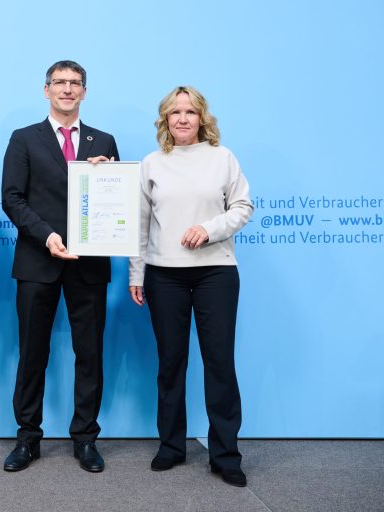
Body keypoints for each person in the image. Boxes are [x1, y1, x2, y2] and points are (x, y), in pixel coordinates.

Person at [128, 86, 253, 487]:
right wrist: (137, 274)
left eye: (190, 112)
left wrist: (210, 229)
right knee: (171, 364)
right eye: (175, 112)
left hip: (216, 271)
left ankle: (225, 453)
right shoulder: (152, 163)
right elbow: (140, 226)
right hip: (164, 274)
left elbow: (242, 207)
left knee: (219, 363)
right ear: (165, 119)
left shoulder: (223, 158)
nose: (182, 119)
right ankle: (171, 446)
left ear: (203, 118)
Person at [1, 60, 119, 473]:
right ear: (46, 89)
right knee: (33, 353)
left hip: (89, 265)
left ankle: (85, 438)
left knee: (89, 354)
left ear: (84, 91)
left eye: (75, 83)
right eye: (60, 83)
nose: (67, 89)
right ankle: (27, 438)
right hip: (38, 260)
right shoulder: (24, 139)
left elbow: (114, 201)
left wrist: (109, 180)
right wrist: (48, 236)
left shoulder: (103, 139)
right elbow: (12, 199)